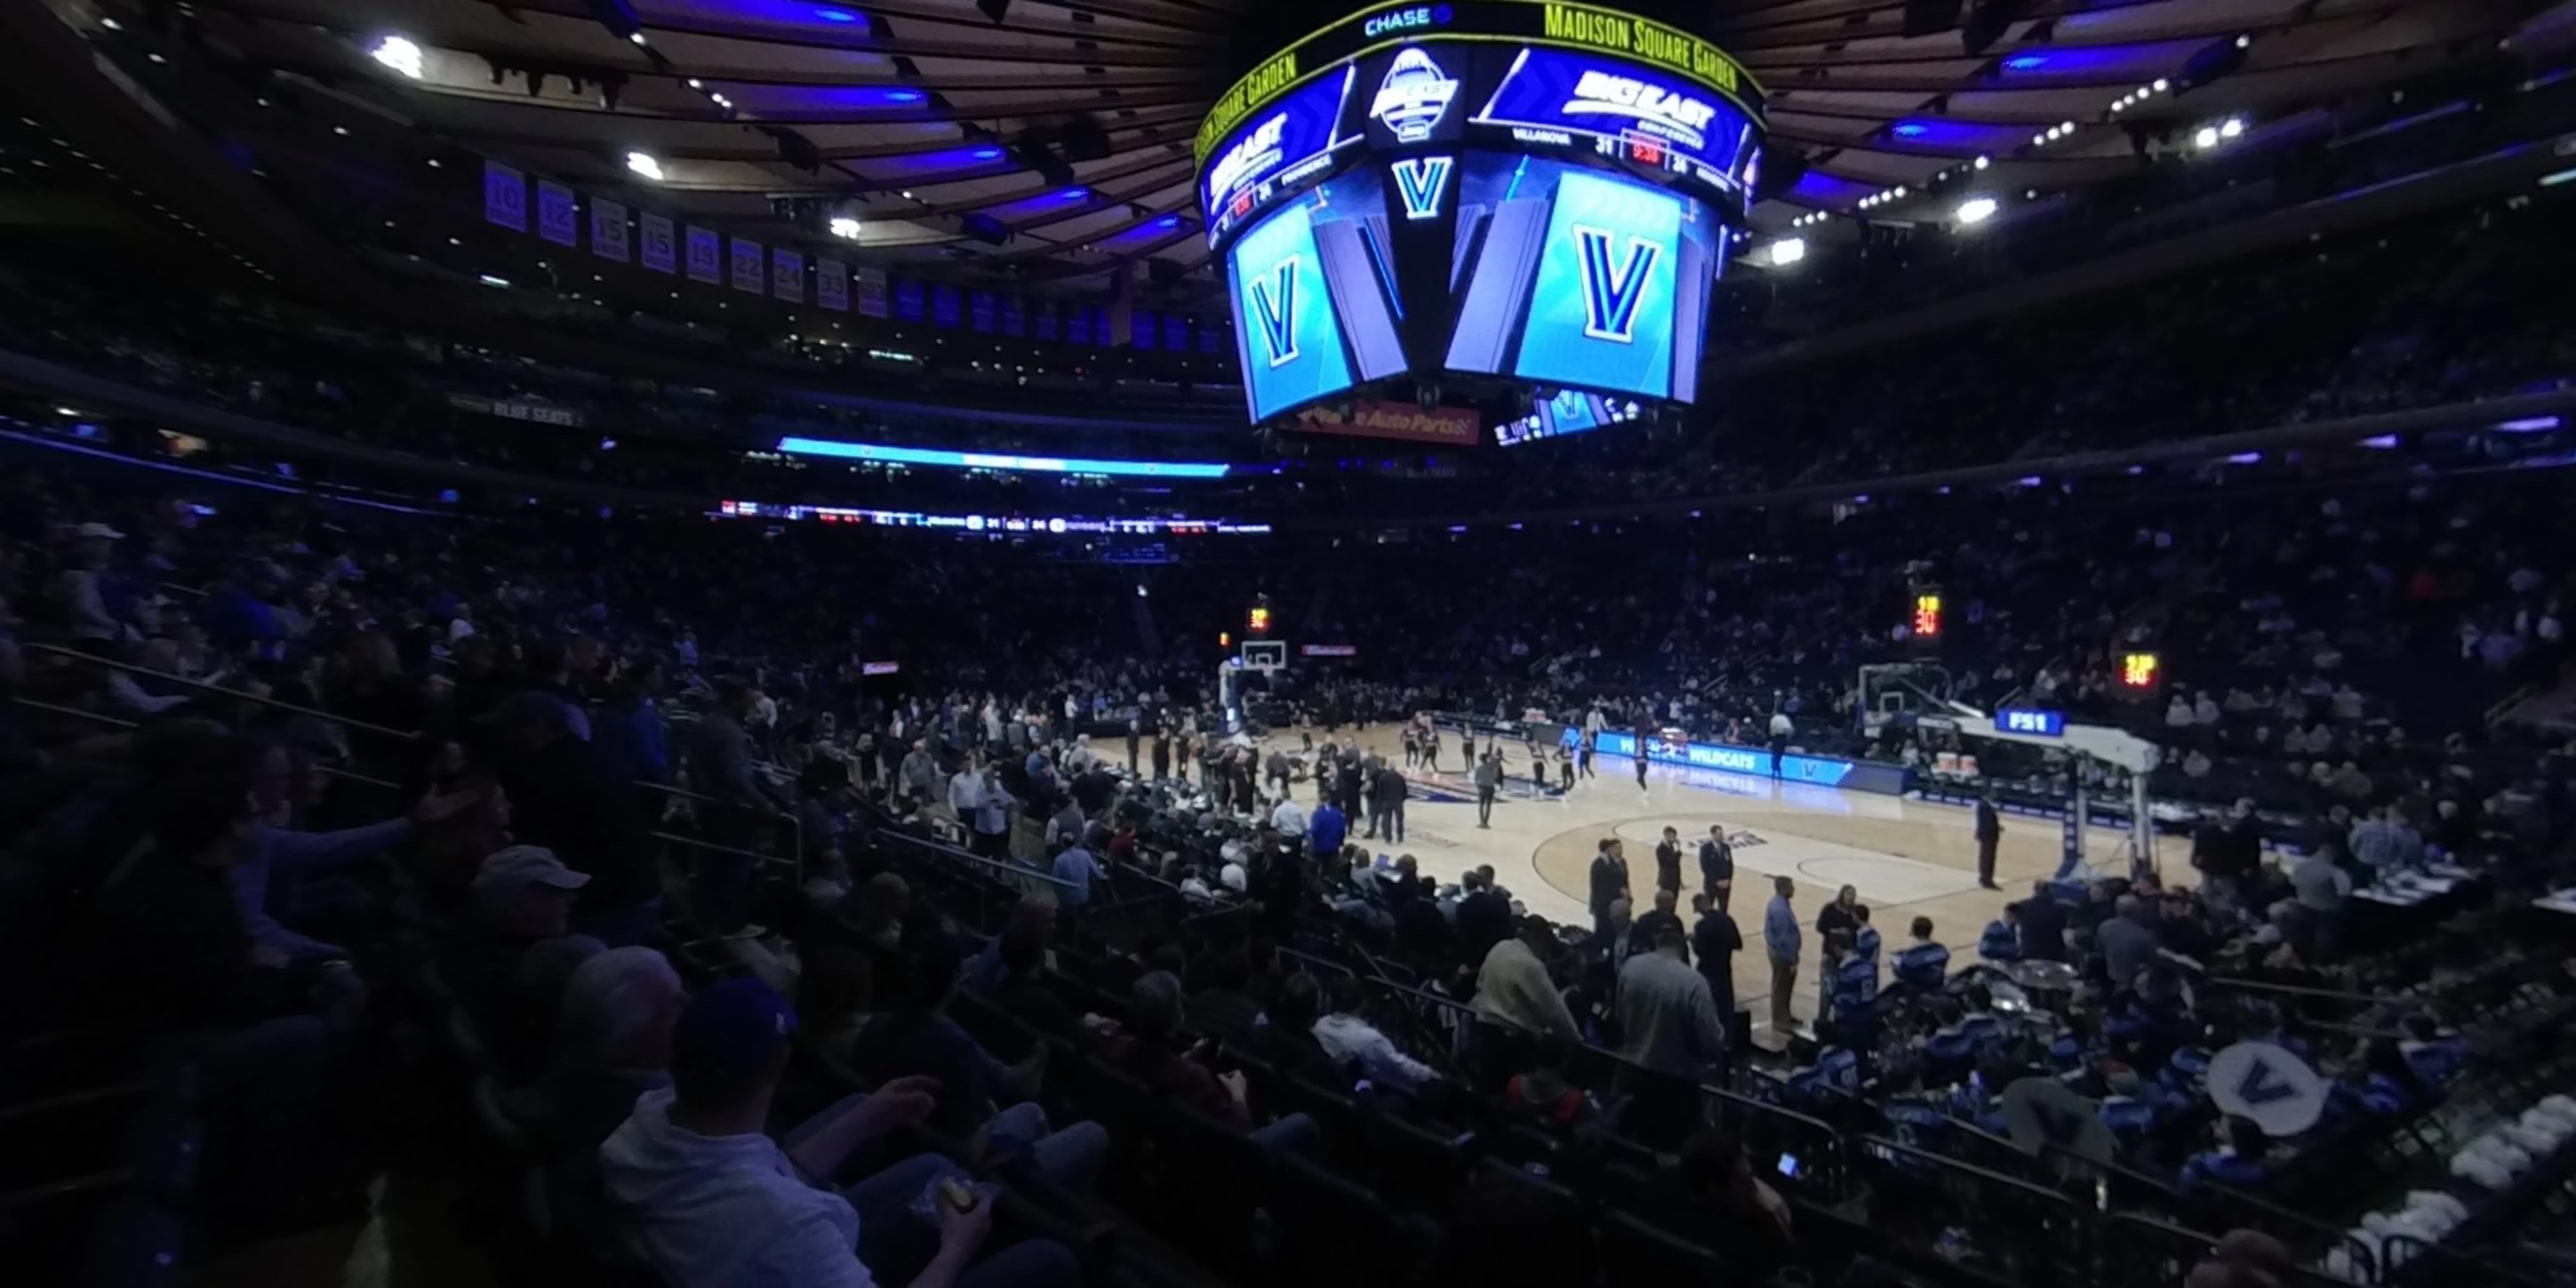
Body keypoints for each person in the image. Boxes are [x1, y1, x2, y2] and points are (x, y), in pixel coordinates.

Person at [598, 978, 1079, 1288]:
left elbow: (765, 1171)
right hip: (793, 1260)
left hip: (749, 1250)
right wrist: (958, 1245)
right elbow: (774, 1204)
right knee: (1049, 1260)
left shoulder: (648, 1121)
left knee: (935, 1168)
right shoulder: (786, 1225)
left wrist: (870, 1114)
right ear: (778, 1066)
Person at [852, 936, 1105, 1189]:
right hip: (951, 1177)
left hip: (901, 1144)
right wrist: (987, 1123)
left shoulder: (879, 1023)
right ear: (954, 981)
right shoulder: (954, 1048)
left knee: (1033, 1111)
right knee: (1094, 1134)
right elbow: (968, 1153)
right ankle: (1036, 1199)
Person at [1105, 973, 1317, 1150]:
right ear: (1177, 1015)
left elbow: (1153, 1059)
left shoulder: (1118, 1047)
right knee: (1303, 1122)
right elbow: (1243, 1137)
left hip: (1145, 1137)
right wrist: (1238, 1095)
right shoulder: (1192, 1077)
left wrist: (1183, 1059)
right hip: (1222, 1158)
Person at [1615, 920, 1729, 1147]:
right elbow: (1712, 1039)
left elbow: (1620, 1014)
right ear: (1683, 948)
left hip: (1631, 1071)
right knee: (1673, 1147)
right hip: (1675, 1083)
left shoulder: (1631, 967)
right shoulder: (1693, 982)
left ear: (1656, 943)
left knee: (1633, 1142)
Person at [685, 680, 779, 938]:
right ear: (734, 700)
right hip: (729, 809)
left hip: (705, 804)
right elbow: (735, 777)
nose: (751, 709)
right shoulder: (730, 733)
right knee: (734, 868)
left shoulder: (704, 724)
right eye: (748, 702)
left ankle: (708, 921)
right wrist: (764, 803)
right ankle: (732, 924)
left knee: (711, 867)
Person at [1313, 975, 1440, 1095]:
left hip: (1341, 1084)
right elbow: (1399, 1066)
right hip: (1367, 1089)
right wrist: (1428, 1073)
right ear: (1362, 1002)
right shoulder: (1368, 1037)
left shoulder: (1321, 1025)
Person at [1690, 891, 1740, 1019]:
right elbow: (1738, 944)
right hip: (1724, 968)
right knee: (1726, 1007)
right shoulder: (1727, 919)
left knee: (1708, 1008)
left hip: (1708, 969)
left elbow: (1699, 951)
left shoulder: (1701, 926)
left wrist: (1693, 941)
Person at [2098, 895, 2161, 991]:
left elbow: (2100, 949)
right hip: (2136, 982)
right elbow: (2154, 961)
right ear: (2139, 911)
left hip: (2111, 974)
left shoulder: (2105, 926)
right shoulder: (2145, 936)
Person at [1764, 876, 1801, 1039]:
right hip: (1783, 954)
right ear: (1783, 888)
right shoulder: (1780, 909)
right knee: (1781, 985)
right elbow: (1783, 938)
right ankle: (1779, 1020)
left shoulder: (1781, 904)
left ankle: (1784, 1015)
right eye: (1791, 885)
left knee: (1785, 985)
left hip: (1782, 952)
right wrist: (1791, 958)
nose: (1793, 889)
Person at [1048, 829, 1103, 911]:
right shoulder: (1085, 854)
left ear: (1062, 843)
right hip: (1084, 897)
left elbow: (1055, 880)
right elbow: (1097, 872)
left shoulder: (1059, 860)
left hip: (1067, 902)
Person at [1893, 916, 1950, 994]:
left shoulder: (1910, 957)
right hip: (1937, 987)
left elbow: (1903, 971)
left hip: (1918, 992)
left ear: (1913, 931)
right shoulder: (1941, 950)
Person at [1587, 837, 1629, 941]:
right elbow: (1598, 886)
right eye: (1617, 848)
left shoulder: (1622, 862)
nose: (1620, 850)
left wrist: (1628, 896)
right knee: (1604, 931)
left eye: (1621, 848)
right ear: (1610, 849)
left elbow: (1625, 881)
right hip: (1604, 903)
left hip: (1620, 902)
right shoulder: (1601, 864)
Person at [2017, 880, 2069, 963]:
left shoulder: (2022, 905)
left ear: (2035, 890)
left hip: (2028, 953)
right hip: (2053, 955)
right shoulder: (2059, 910)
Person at [1371, 759, 1408, 843]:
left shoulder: (1383, 777)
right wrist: (1402, 799)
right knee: (1399, 820)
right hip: (1398, 801)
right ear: (1395, 768)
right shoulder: (1400, 777)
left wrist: (1381, 800)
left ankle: (1388, 838)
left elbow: (1380, 791)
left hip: (1386, 802)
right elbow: (1405, 791)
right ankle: (1400, 837)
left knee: (1387, 820)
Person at [1699, 824, 1735, 913]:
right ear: (1713, 834)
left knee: (1723, 909)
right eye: (1719, 834)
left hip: (1725, 885)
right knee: (1708, 909)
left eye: (1722, 834)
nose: (1721, 836)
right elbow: (1705, 867)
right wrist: (1716, 881)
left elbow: (1730, 865)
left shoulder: (1726, 847)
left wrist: (1728, 880)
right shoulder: (1705, 849)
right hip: (1711, 885)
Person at [1974, 789, 2002, 890]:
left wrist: (1998, 826)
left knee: (1988, 858)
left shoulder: (1986, 805)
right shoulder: (1984, 806)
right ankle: (1986, 879)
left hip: (1989, 835)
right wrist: (1995, 827)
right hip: (1987, 836)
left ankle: (1985, 878)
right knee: (1987, 859)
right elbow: (1986, 823)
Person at [1307, 791, 1346, 862]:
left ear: (1319, 801)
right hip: (1334, 846)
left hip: (1320, 847)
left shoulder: (1318, 813)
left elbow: (1314, 831)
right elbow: (1342, 830)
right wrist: (1340, 842)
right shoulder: (1338, 812)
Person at [1653, 825, 1684, 897]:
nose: (1675, 838)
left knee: (1673, 904)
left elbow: (1676, 864)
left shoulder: (1671, 847)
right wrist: (1678, 849)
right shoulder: (1660, 849)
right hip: (1666, 880)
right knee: (1666, 903)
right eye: (1673, 836)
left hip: (1674, 880)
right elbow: (1672, 861)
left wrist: (1680, 881)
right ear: (1667, 835)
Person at [1474, 751, 1501, 828]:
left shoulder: (1478, 768)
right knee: (1488, 806)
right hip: (1491, 788)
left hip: (1482, 788)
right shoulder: (1491, 768)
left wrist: (1478, 786)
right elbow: (1495, 777)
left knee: (1481, 806)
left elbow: (1476, 779)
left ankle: (1482, 822)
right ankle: (1486, 822)